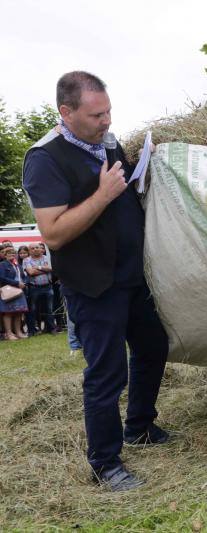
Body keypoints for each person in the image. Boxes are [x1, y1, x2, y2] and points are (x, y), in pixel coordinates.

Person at [22, 71, 170, 491]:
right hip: (93, 283)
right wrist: (104, 194)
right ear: (65, 113)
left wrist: (139, 175)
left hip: (131, 275)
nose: (106, 121)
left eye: (108, 111)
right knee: (106, 373)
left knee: (153, 346)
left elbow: (123, 192)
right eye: (96, 114)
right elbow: (53, 232)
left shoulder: (106, 142)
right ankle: (105, 464)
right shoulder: (45, 158)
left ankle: (139, 427)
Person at [23, 243, 58, 334]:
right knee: (33, 309)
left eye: (37, 247)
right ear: (29, 251)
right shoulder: (26, 260)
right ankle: (32, 330)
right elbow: (31, 272)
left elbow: (52, 268)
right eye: (32, 248)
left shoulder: (47, 258)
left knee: (49, 309)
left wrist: (38, 267)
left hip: (47, 287)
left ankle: (51, 329)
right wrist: (45, 270)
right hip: (34, 288)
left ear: (41, 249)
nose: (35, 249)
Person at [0, 246, 29, 340]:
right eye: (9, 253)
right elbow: (2, 278)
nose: (12, 255)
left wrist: (24, 282)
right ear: (5, 255)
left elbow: (23, 276)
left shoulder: (17, 265)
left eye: (13, 253)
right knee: (8, 313)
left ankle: (18, 332)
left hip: (19, 291)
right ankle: (9, 333)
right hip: (9, 291)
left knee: (19, 312)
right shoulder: (2, 264)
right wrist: (17, 283)